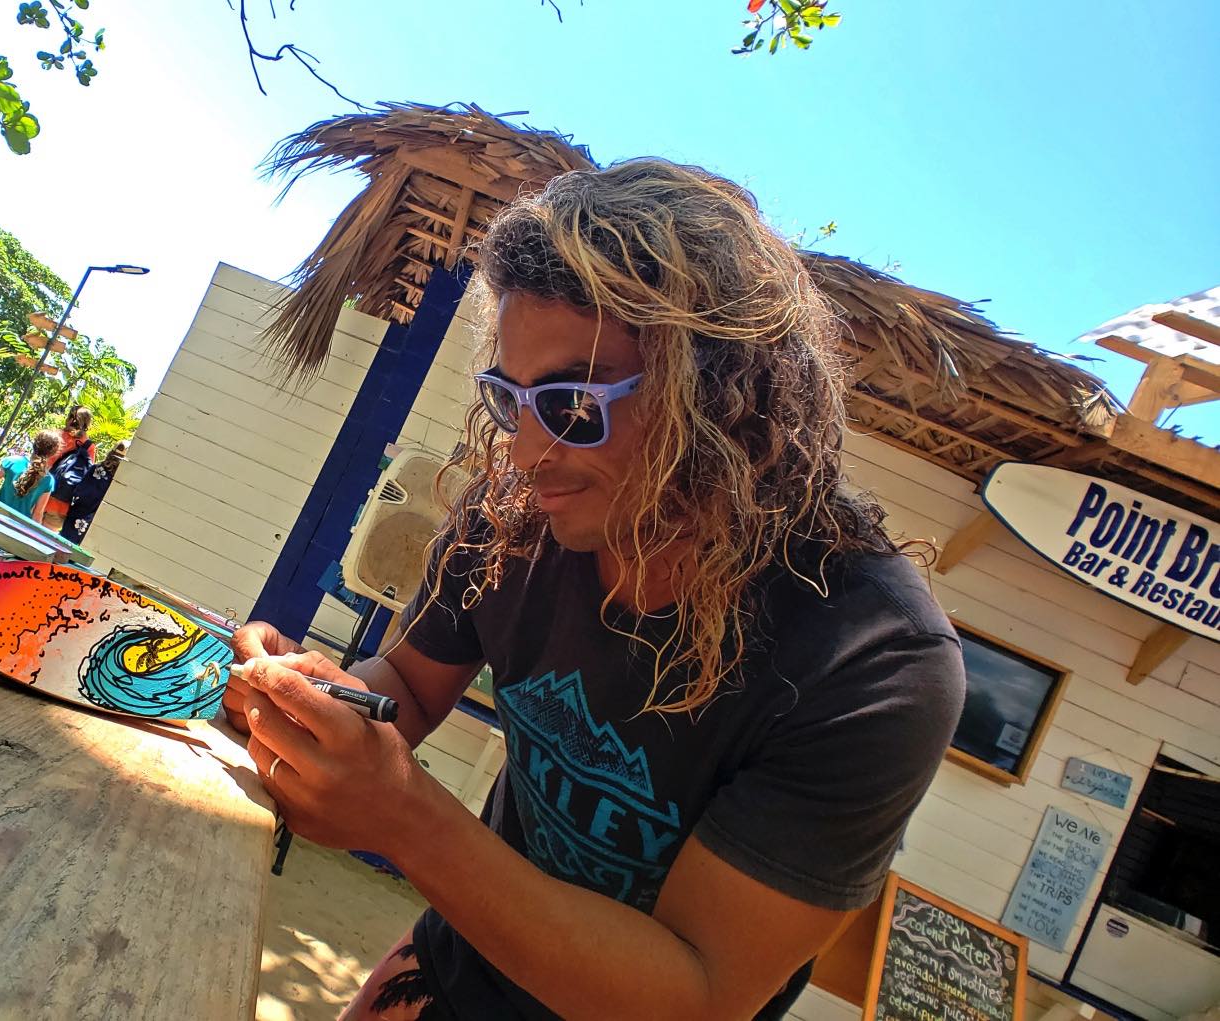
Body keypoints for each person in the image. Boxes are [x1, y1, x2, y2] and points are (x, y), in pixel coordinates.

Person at [224, 159, 966, 1020]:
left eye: (575, 404)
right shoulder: (511, 520)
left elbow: (696, 993)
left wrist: (403, 819)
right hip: (452, 966)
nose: (530, 452)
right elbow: (413, 689)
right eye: (511, 401)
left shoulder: (874, 661)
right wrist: (315, 702)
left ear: (723, 393)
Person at [0, 429, 62, 518]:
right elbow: (38, 513)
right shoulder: (48, 480)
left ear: (34, 444)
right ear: (53, 453)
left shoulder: (12, 462)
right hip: (20, 527)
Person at [60, 440, 128, 544]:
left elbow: (80, 488)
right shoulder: (117, 480)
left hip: (77, 510)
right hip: (93, 517)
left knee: (63, 541)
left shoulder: (96, 468)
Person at [42, 405, 96, 530]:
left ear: (70, 418)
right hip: (61, 504)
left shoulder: (56, 435)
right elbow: (86, 477)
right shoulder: (89, 446)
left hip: (39, 494)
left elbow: (43, 461)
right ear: (87, 423)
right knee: (42, 544)